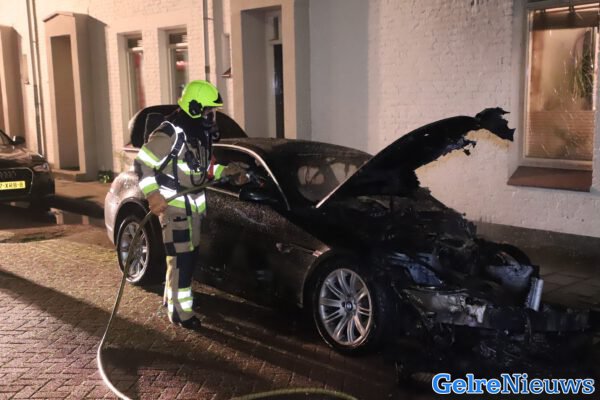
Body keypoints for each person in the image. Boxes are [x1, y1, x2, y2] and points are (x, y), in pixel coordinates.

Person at [134, 80, 240, 330]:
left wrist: (229, 171)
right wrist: (153, 195)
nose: (211, 117)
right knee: (182, 261)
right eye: (208, 111)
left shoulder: (198, 135)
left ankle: (171, 300)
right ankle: (181, 313)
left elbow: (203, 170)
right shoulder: (170, 133)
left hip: (192, 210)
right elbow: (142, 163)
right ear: (194, 108)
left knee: (184, 258)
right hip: (175, 209)